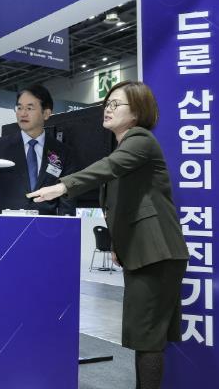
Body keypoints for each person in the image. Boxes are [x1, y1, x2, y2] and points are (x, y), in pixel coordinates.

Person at [27, 81, 189, 389]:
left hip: (156, 253)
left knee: (147, 337)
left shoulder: (140, 140)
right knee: (147, 336)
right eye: (107, 103)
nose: (108, 109)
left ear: (137, 112)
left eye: (117, 104)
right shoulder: (125, 146)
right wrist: (118, 243)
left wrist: (63, 185)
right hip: (147, 253)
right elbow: (123, 203)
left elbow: (108, 168)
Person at [0, 84, 76, 215]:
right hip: (7, 223)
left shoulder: (62, 152)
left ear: (46, 113)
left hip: (46, 224)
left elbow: (67, 194)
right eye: (19, 108)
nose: (23, 113)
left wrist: (66, 222)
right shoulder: (0, 146)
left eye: (29, 108)